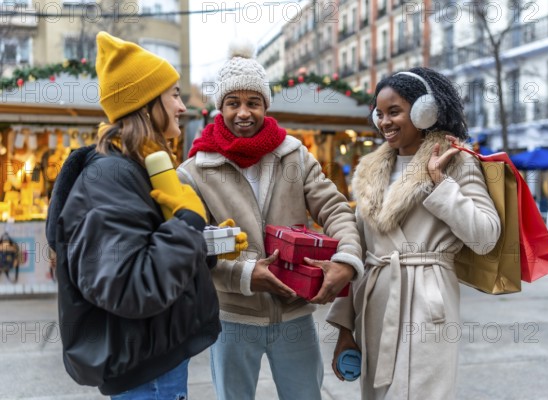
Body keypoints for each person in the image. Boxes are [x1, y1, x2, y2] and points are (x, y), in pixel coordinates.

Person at [177, 43, 364, 400]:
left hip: (294, 314)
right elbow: (191, 245)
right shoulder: (194, 171)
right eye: (234, 103)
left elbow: (336, 210)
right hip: (233, 317)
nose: (244, 112)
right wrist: (246, 274)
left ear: (266, 106)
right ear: (221, 108)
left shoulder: (295, 155)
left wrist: (346, 260)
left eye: (253, 102)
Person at [45, 32, 221, 398]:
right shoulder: (110, 177)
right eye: (173, 94)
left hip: (158, 364)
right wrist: (188, 222)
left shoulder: (136, 169)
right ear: (145, 104)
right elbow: (131, 286)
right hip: (147, 376)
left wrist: (207, 241)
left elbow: (152, 249)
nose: (182, 106)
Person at [326, 67, 501, 400]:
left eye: (395, 111)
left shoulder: (456, 163)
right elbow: (357, 254)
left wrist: (441, 185)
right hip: (375, 307)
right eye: (380, 113)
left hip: (429, 304)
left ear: (425, 112)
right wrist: (345, 329)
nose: (384, 122)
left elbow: (485, 237)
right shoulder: (367, 172)